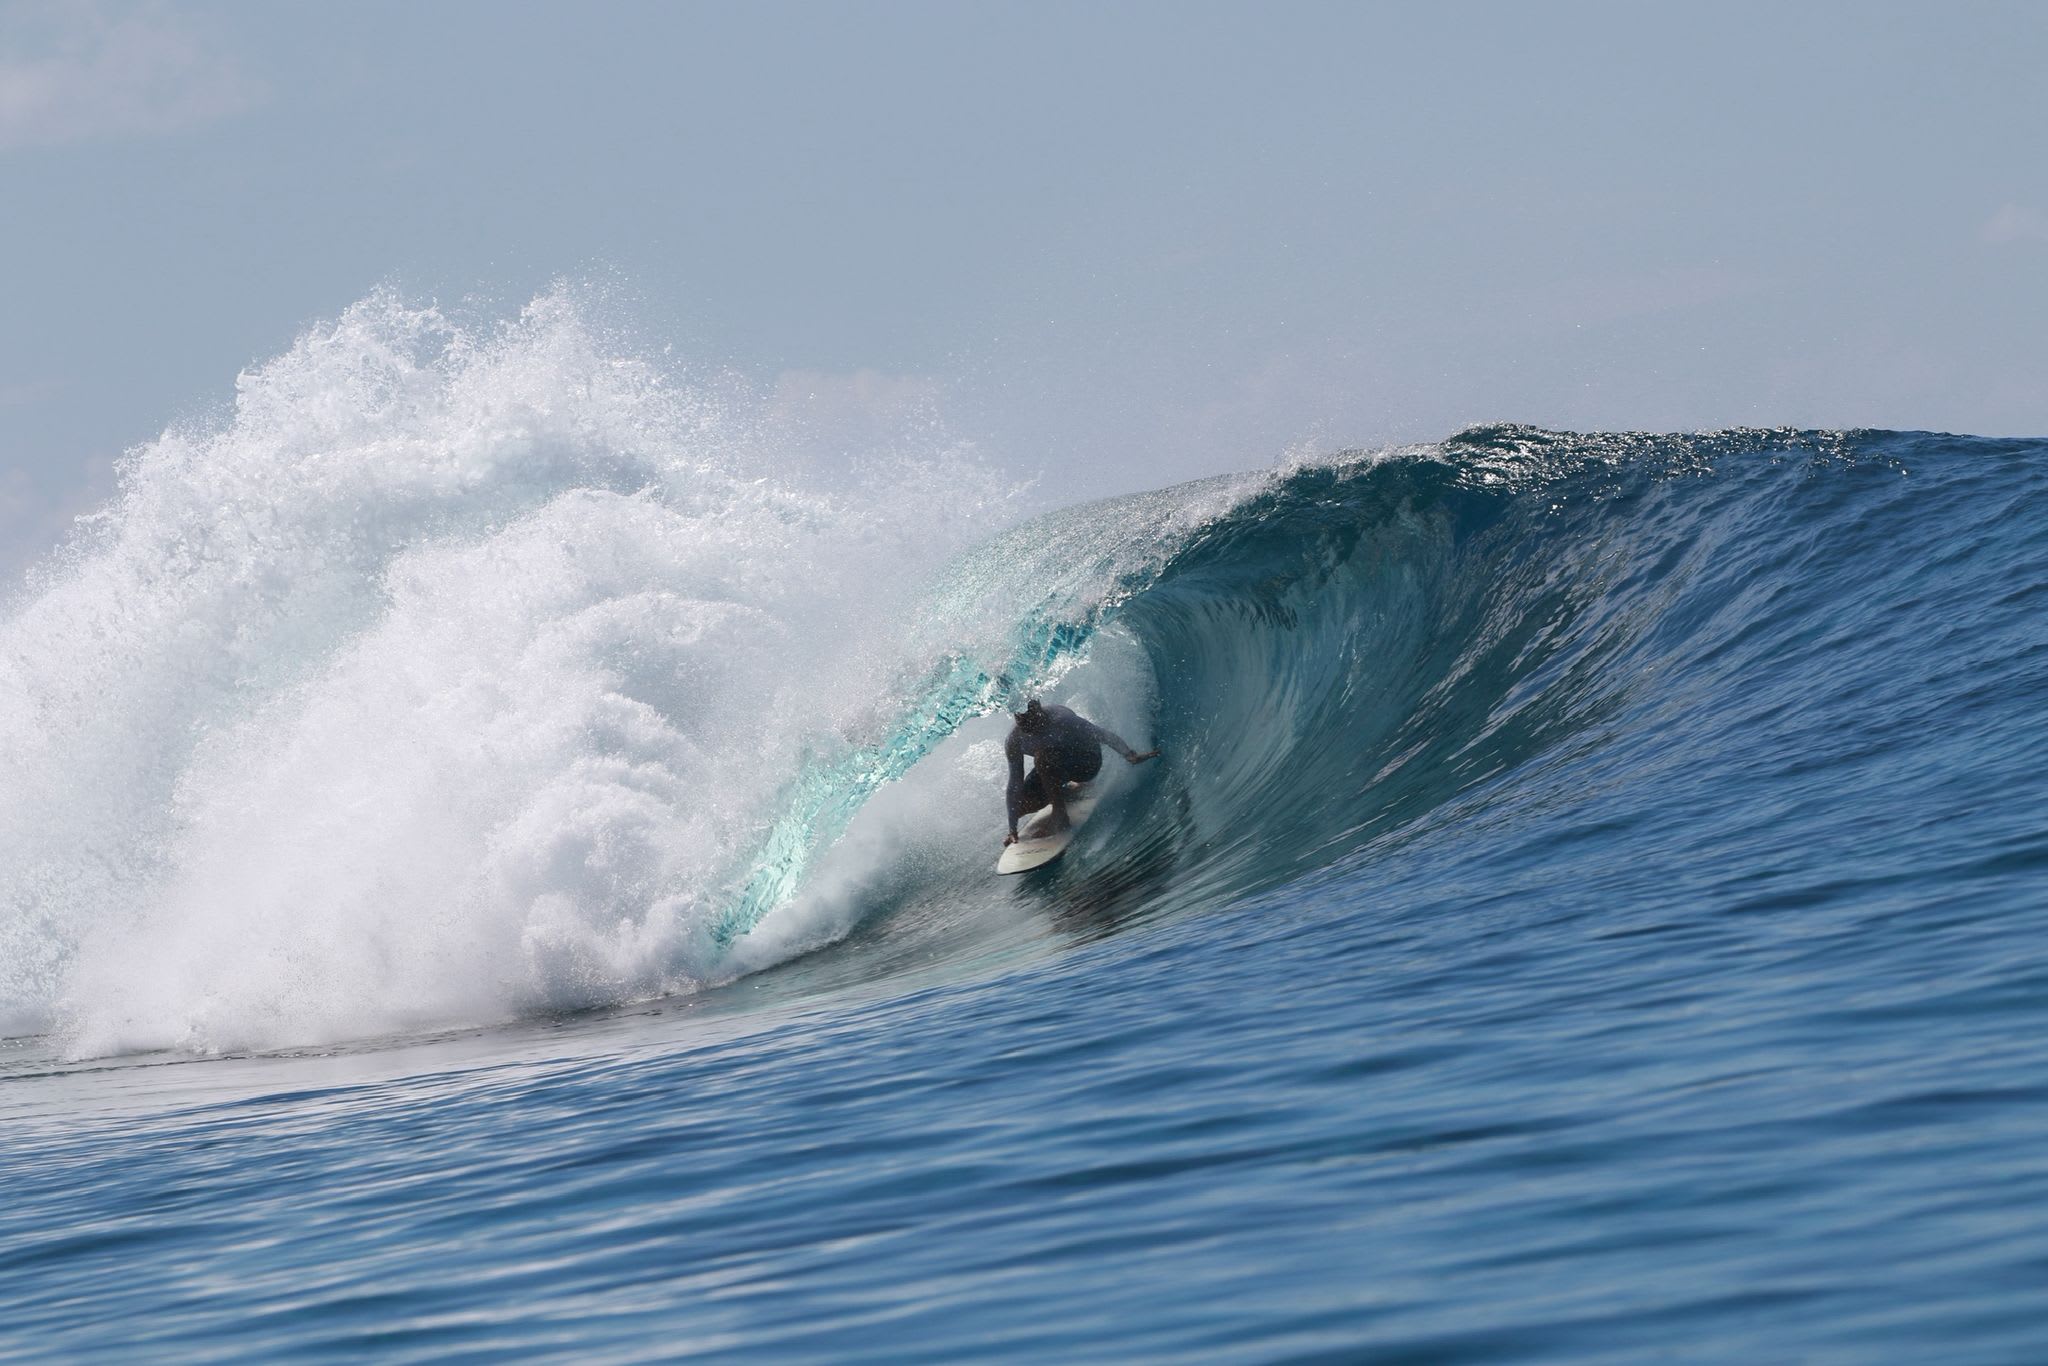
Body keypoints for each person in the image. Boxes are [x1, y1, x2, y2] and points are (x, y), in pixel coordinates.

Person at [1003, 698, 1159, 846]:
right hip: (1054, 767)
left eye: (1031, 722)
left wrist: (1130, 755)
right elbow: (1015, 783)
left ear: (1039, 712)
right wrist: (1012, 828)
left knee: (1043, 758)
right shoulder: (1014, 740)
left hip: (1086, 762)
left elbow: (1103, 735)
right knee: (1021, 805)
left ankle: (1060, 814)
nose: (1029, 728)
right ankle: (1064, 791)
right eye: (1022, 722)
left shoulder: (1062, 720)